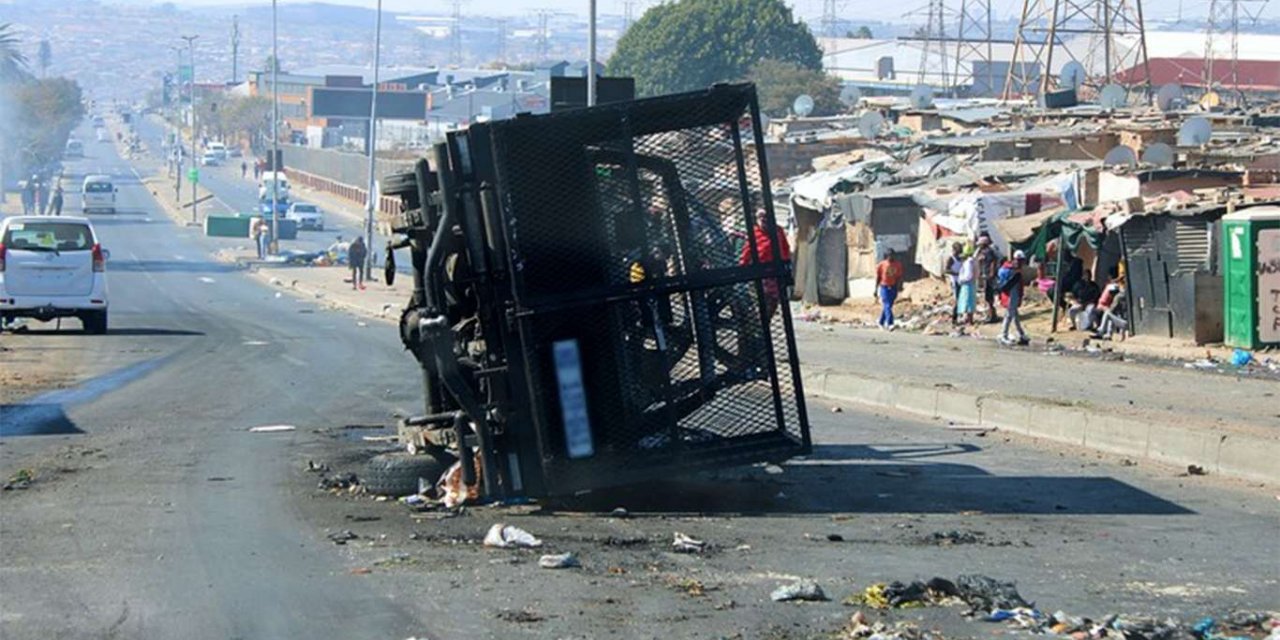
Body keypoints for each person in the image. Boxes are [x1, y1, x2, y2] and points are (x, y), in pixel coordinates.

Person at [997, 250, 1029, 346]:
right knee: (1009, 315)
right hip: (1011, 294)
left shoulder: (1008, 268)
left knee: (1015, 316)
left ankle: (1021, 334)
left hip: (1012, 294)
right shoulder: (1012, 270)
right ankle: (1004, 335)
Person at [974, 232, 1001, 323]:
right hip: (986, 276)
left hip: (988, 277)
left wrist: (991, 274)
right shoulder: (984, 251)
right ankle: (991, 315)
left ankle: (992, 316)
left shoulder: (988, 251)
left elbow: (992, 263)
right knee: (988, 297)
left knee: (989, 298)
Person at [875, 249, 904, 330]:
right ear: (886, 256)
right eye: (889, 255)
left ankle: (880, 322)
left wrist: (899, 286)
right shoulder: (882, 265)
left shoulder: (897, 264)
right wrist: (875, 289)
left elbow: (899, 277)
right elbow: (878, 277)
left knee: (888, 306)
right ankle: (890, 323)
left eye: (892, 255)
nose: (891, 257)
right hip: (884, 287)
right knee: (887, 305)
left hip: (893, 287)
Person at [955, 246, 977, 326]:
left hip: (967, 284)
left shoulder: (968, 263)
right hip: (971, 283)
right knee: (969, 301)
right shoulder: (973, 261)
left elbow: (968, 275)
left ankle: (969, 320)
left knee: (967, 302)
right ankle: (968, 319)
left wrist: (962, 280)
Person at [944, 242, 964, 324]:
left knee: (961, 300)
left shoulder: (960, 258)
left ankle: (959, 316)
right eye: (958, 251)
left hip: (961, 281)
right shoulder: (951, 259)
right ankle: (954, 318)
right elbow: (946, 270)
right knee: (957, 300)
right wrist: (956, 273)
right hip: (955, 281)